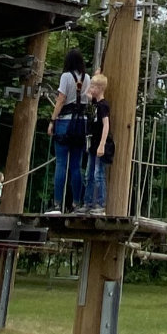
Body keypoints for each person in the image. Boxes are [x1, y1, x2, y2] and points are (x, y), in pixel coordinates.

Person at [47, 48, 88, 214]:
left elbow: (61, 99)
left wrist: (52, 121)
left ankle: (57, 203)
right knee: (76, 166)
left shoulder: (65, 77)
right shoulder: (87, 78)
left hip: (65, 121)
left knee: (61, 163)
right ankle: (76, 203)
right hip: (81, 123)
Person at [83, 73, 114, 215]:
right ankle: (88, 202)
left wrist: (102, 144)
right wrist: (94, 79)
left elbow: (106, 125)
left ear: (101, 88)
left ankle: (100, 204)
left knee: (98, 174)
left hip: (99, 144)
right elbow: (85, 94)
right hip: (92, 144)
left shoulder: (103, 106)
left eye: (94, 86)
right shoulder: (94, 104)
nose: (91, 89)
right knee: (89, 175)